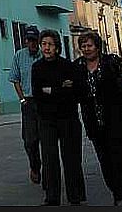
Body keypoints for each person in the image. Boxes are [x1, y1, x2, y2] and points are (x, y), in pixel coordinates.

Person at [73, 31, 122, 206]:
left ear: (97, 47)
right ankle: (118, 193)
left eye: (89, 45)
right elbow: (74, 92)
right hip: (95, 125)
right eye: (83, 46)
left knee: (120, 163)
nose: (86, 49)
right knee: (106, 165)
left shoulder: (112, 62)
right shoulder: (78, 67)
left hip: (118, 121)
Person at [32, 29, 86, 206]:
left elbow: (74, 93)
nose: (46, 48)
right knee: (49, 158)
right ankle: (52, 197)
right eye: (44, 44)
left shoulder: (68, 66)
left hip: (67, 118)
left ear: (57, 47)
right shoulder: (37, 68)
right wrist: (60, 88)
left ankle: (75, 196)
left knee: (71, 158)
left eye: (50, 44)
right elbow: (37, 94)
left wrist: (51, 90)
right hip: (47, 120)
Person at [9, 25, 43, 185]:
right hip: (28, 102)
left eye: (35, 40)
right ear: (25, 41)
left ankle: (50, 173)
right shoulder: (19, 56)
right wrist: (22, 99)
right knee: (30, 140)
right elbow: (15, 79)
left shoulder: (44, 54)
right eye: (29, 40)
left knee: (47, 138)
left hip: (44, 102)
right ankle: (35, 166)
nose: (32, 43)